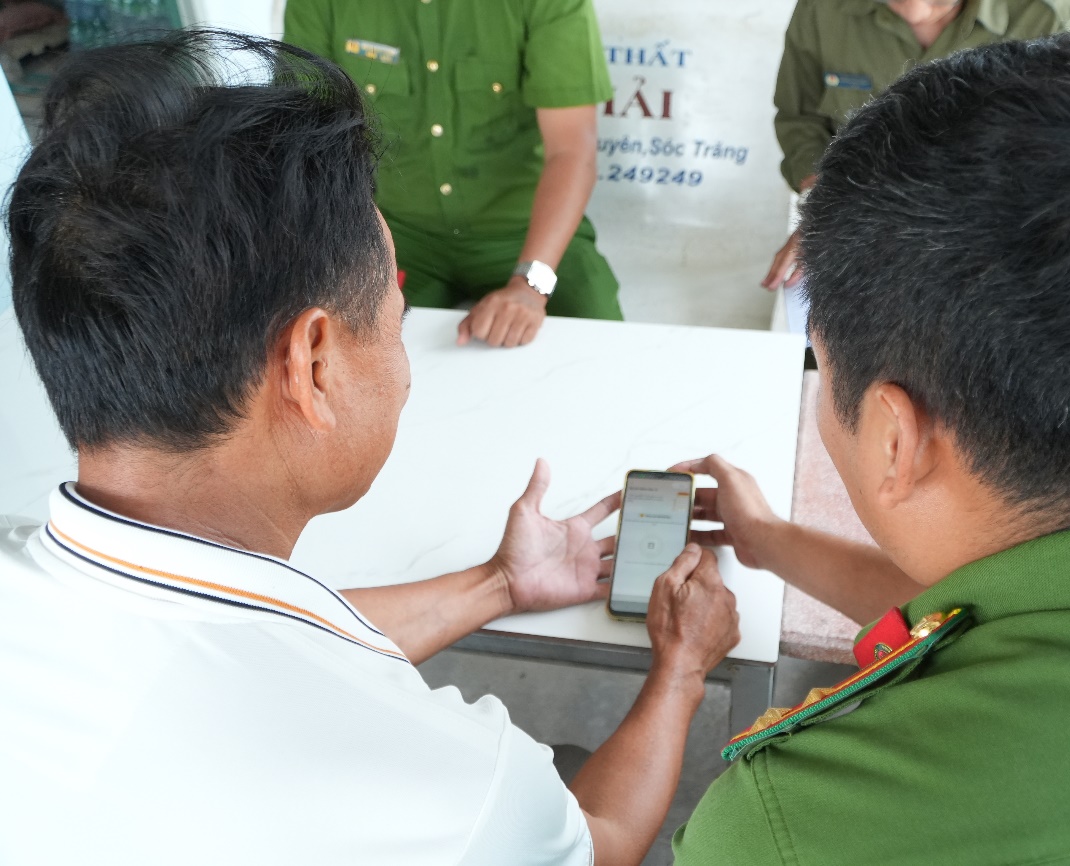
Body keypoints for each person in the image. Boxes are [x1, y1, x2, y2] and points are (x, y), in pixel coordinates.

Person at [0, 31, 739, 866]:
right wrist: (683, 669)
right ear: (313, 366)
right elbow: (598, 842)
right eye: (394, 314)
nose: (407, 367)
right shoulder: (456, 791)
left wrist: (499, 584)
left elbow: (267, 635)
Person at [675, 29, 1070, 863]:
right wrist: (766, 540)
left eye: (823, 366)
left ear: (894, 438)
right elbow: (1007, 604)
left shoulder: (795, 824)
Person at [282, 0, 621, 349]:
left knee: (605, 347)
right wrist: (342, 254)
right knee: (329, 347)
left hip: (526, 230)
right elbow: (306, 144)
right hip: (394, 234)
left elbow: (571, 151)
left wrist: (531, 283)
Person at [762, 0, 1070, 291]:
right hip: (860, 230)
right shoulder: (821, 9)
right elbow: (801, 119)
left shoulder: (1047, 15)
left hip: (993, 241)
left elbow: (1061, 151)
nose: (915, 9)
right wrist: (824, 209)